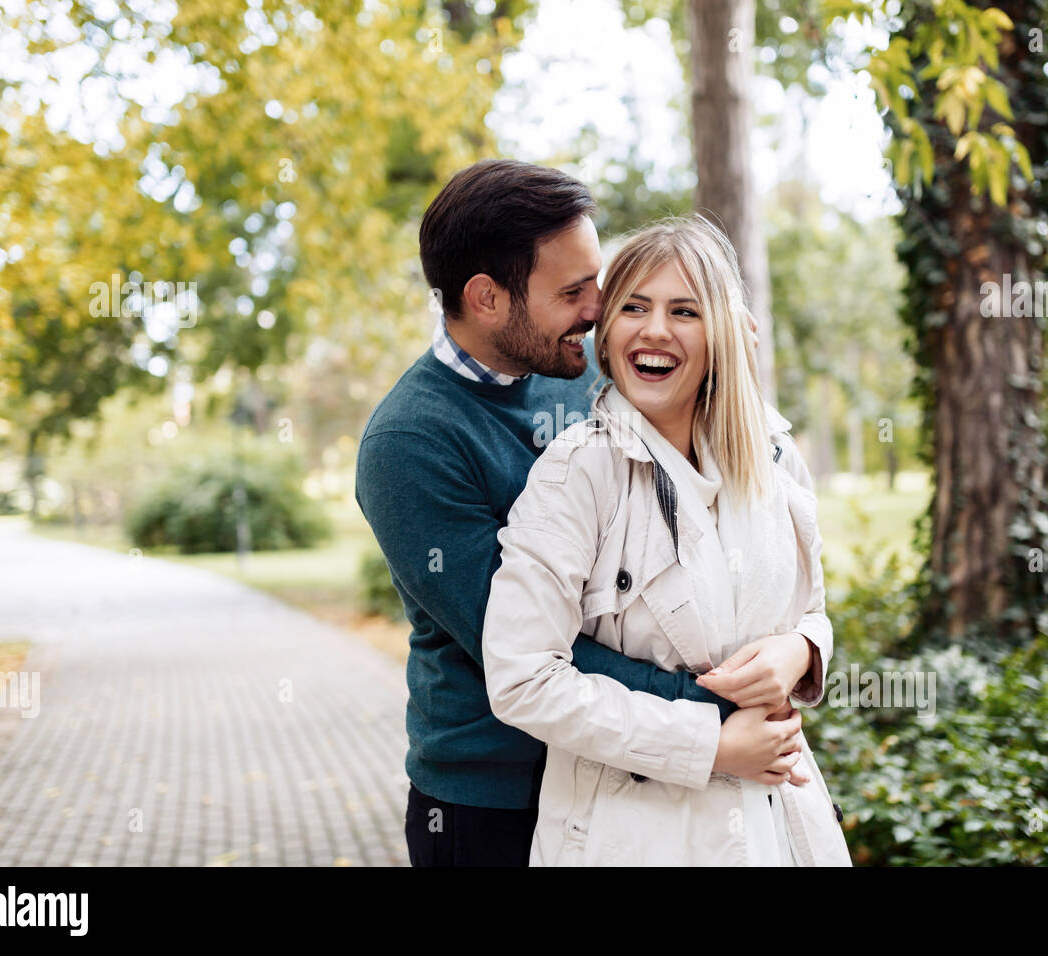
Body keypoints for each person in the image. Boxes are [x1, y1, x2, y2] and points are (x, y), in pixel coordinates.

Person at [355, 160, 809, 867]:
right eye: (573, 291)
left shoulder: (576, 369)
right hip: (493, 800)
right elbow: (521, 645)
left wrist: (724, 363)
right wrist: (722, 716)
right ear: (486, 299)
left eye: (597, 282)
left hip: (633, 782)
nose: (599, 309)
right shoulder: (409, 443)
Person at [481, 215, 853, 866]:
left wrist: (801, 651)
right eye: (634, 307)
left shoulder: (773, 455)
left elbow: (811, 611)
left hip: (775, 824)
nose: (655, 330)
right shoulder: (577, 473)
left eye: (685, 310)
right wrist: (707, 745)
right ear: (608, 329)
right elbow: (522, 679)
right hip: (632, 834)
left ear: (722, 334)